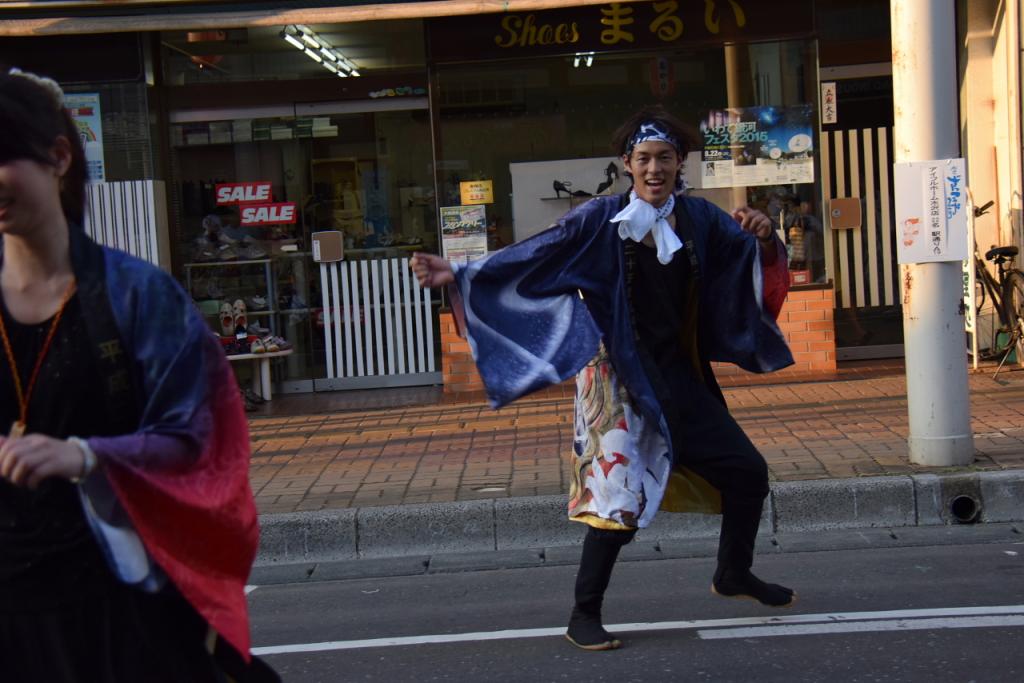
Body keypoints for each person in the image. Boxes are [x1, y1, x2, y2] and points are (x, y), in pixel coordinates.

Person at [411, 106, 795, 652]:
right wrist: (465, 271)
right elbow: (540, 253)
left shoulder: (701, 220)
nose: (655, 168)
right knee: (617, 499)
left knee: (747, 472)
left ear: (680, 163)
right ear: (627, 164)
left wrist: (762, 238)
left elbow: (746, 269)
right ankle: (582, 614)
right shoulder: (600, 219)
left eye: (665, 158)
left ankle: (733, 573)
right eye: (644, 159)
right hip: (616, 378)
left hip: (679, 373)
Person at [0, 68, 277, 681]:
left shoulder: (137, 296)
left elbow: (204, 442)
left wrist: (86, 457)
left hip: (119, 602)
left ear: (58, 157)